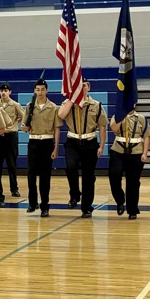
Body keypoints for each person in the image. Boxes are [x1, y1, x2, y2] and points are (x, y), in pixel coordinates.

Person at [57, 78, 107, 218]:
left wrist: (102, 147)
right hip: (73, 141)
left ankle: (86, 207)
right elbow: (61, 115)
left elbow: (102, 127)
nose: (81, 88)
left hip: (90, 142)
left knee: (88, 177)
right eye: (78, 86)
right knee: (70, 167)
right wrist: (72, 99)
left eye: (83, 86)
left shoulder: (96, 105)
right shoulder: (68, 103)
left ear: (88, 87)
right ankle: (74, 194)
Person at [21, 79, 62, 217]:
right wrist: (25, 128)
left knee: (45, 177)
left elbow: (57, 129)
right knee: (31, 175)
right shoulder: (29, 106)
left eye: (42, 89)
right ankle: (32, 203)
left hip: (46, 143)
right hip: (33, 143)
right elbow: (24, 127)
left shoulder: (53, 107)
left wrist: (56, 148)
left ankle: (45, 206)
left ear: (47, 90)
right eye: (37, 89)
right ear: (34, 90)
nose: (40, 92)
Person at [109, 105, 150, 220]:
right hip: (118, 151)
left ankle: (132, 210)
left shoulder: (141, 118)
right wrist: (121, 116)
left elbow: (147, 136)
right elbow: (114, 128)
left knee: (133, 182)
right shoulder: (116, 116)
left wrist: (145, 153)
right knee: (114, 176)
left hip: (136, 152)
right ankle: (120, 200)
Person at [0, 83, 24, 197]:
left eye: (6, 91)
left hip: (11, 136)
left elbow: (23, 116)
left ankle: (14, 188)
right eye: (1, 90)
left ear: (10, 92)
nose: (3, 92)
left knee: (11, 164)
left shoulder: (15, 105)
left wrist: (15, 123)